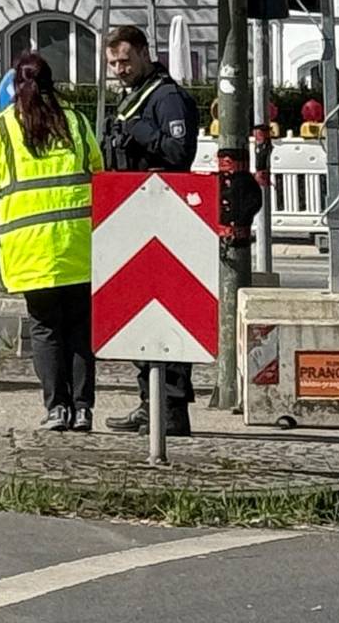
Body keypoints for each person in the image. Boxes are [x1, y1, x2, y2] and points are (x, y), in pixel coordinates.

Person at [0, 51, 100, 432]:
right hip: (78, 242)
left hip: (30, 246)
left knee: (45, 328)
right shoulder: (76, 122)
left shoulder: (0, 129)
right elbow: (97, 169)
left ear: (15, 87)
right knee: (80, 328)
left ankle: (57, 408)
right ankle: (83, 409)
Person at [99, 24, 196, 436]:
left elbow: (179, 152)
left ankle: (171, 409)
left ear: (143, 53)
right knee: (140, 317)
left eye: (124, 60)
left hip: (164, 218)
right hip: (134, 216)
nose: (119, 69)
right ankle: (149, 403)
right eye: (113, 63)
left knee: (166, 316)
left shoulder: (166, 97)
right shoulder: (133, 96)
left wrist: (141, 132)